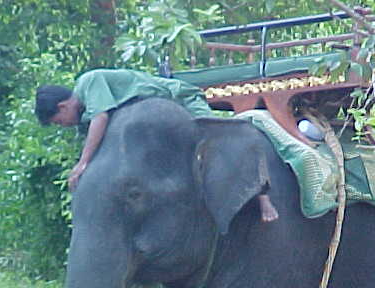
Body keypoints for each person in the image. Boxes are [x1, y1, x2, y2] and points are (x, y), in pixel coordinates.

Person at [35, 68, 279, 222]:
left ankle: (261, 195)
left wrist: (83, 163)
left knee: (220, 141)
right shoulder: (85, 119)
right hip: (158, 126)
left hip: (178, 98)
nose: (63, 125)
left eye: (59, 121)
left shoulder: (89, 83)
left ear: (63, 106)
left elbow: (102, 117)